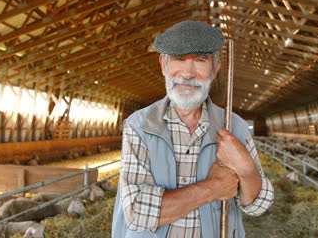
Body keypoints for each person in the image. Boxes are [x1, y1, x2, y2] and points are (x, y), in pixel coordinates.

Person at [112, 20, 274, 238]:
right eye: (179, 59)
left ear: (215, 69)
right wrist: (213, 187)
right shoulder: (140, 126)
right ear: (163, 65)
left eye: (200, 60)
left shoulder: (234, 126)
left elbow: (259, 205)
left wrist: (246, 170)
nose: (187, 73)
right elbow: (137, 213)